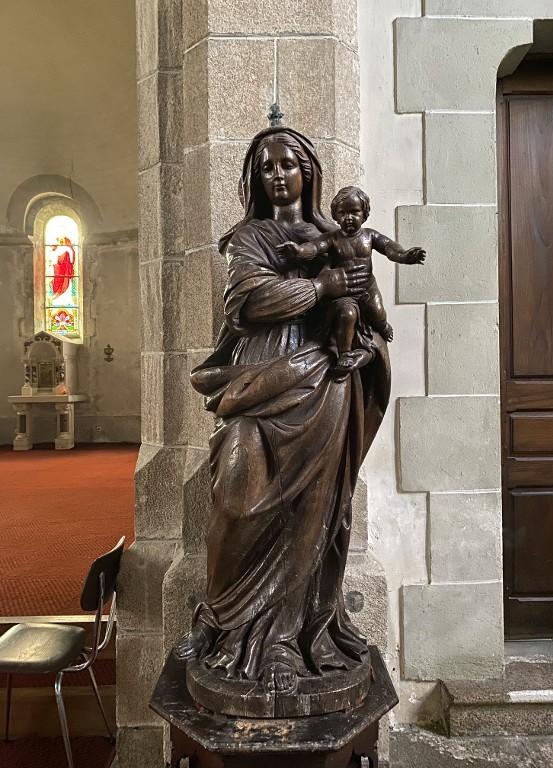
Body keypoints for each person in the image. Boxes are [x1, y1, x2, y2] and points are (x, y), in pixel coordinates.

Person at [174, 127, 392, 699]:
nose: (278, 175)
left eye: (288, 165)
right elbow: (250, 302)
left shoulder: (337, 234)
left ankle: (283, 639)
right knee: (236, 496)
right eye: (267, 167)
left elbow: (369, 309)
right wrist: (321, 286)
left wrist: (369, 343)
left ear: (308, 173)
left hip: (325, 382)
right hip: (262, 381)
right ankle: (222, 615)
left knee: (311, 515)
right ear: (256, 178)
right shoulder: (249, 238)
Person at [277, 185, 426, 377]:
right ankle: (344, 353)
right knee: (346, 315)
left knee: (378, 311)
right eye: (343, 213)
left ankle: (383, 326)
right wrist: (299, 251)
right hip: (344, 292)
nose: (349, 217)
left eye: (354, 212)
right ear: (336, 216)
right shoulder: (332, 239)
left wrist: (404, 255)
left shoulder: (369, 236)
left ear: (364, 214)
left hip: (367, 287)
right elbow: (314, 247)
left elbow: (389, 247)